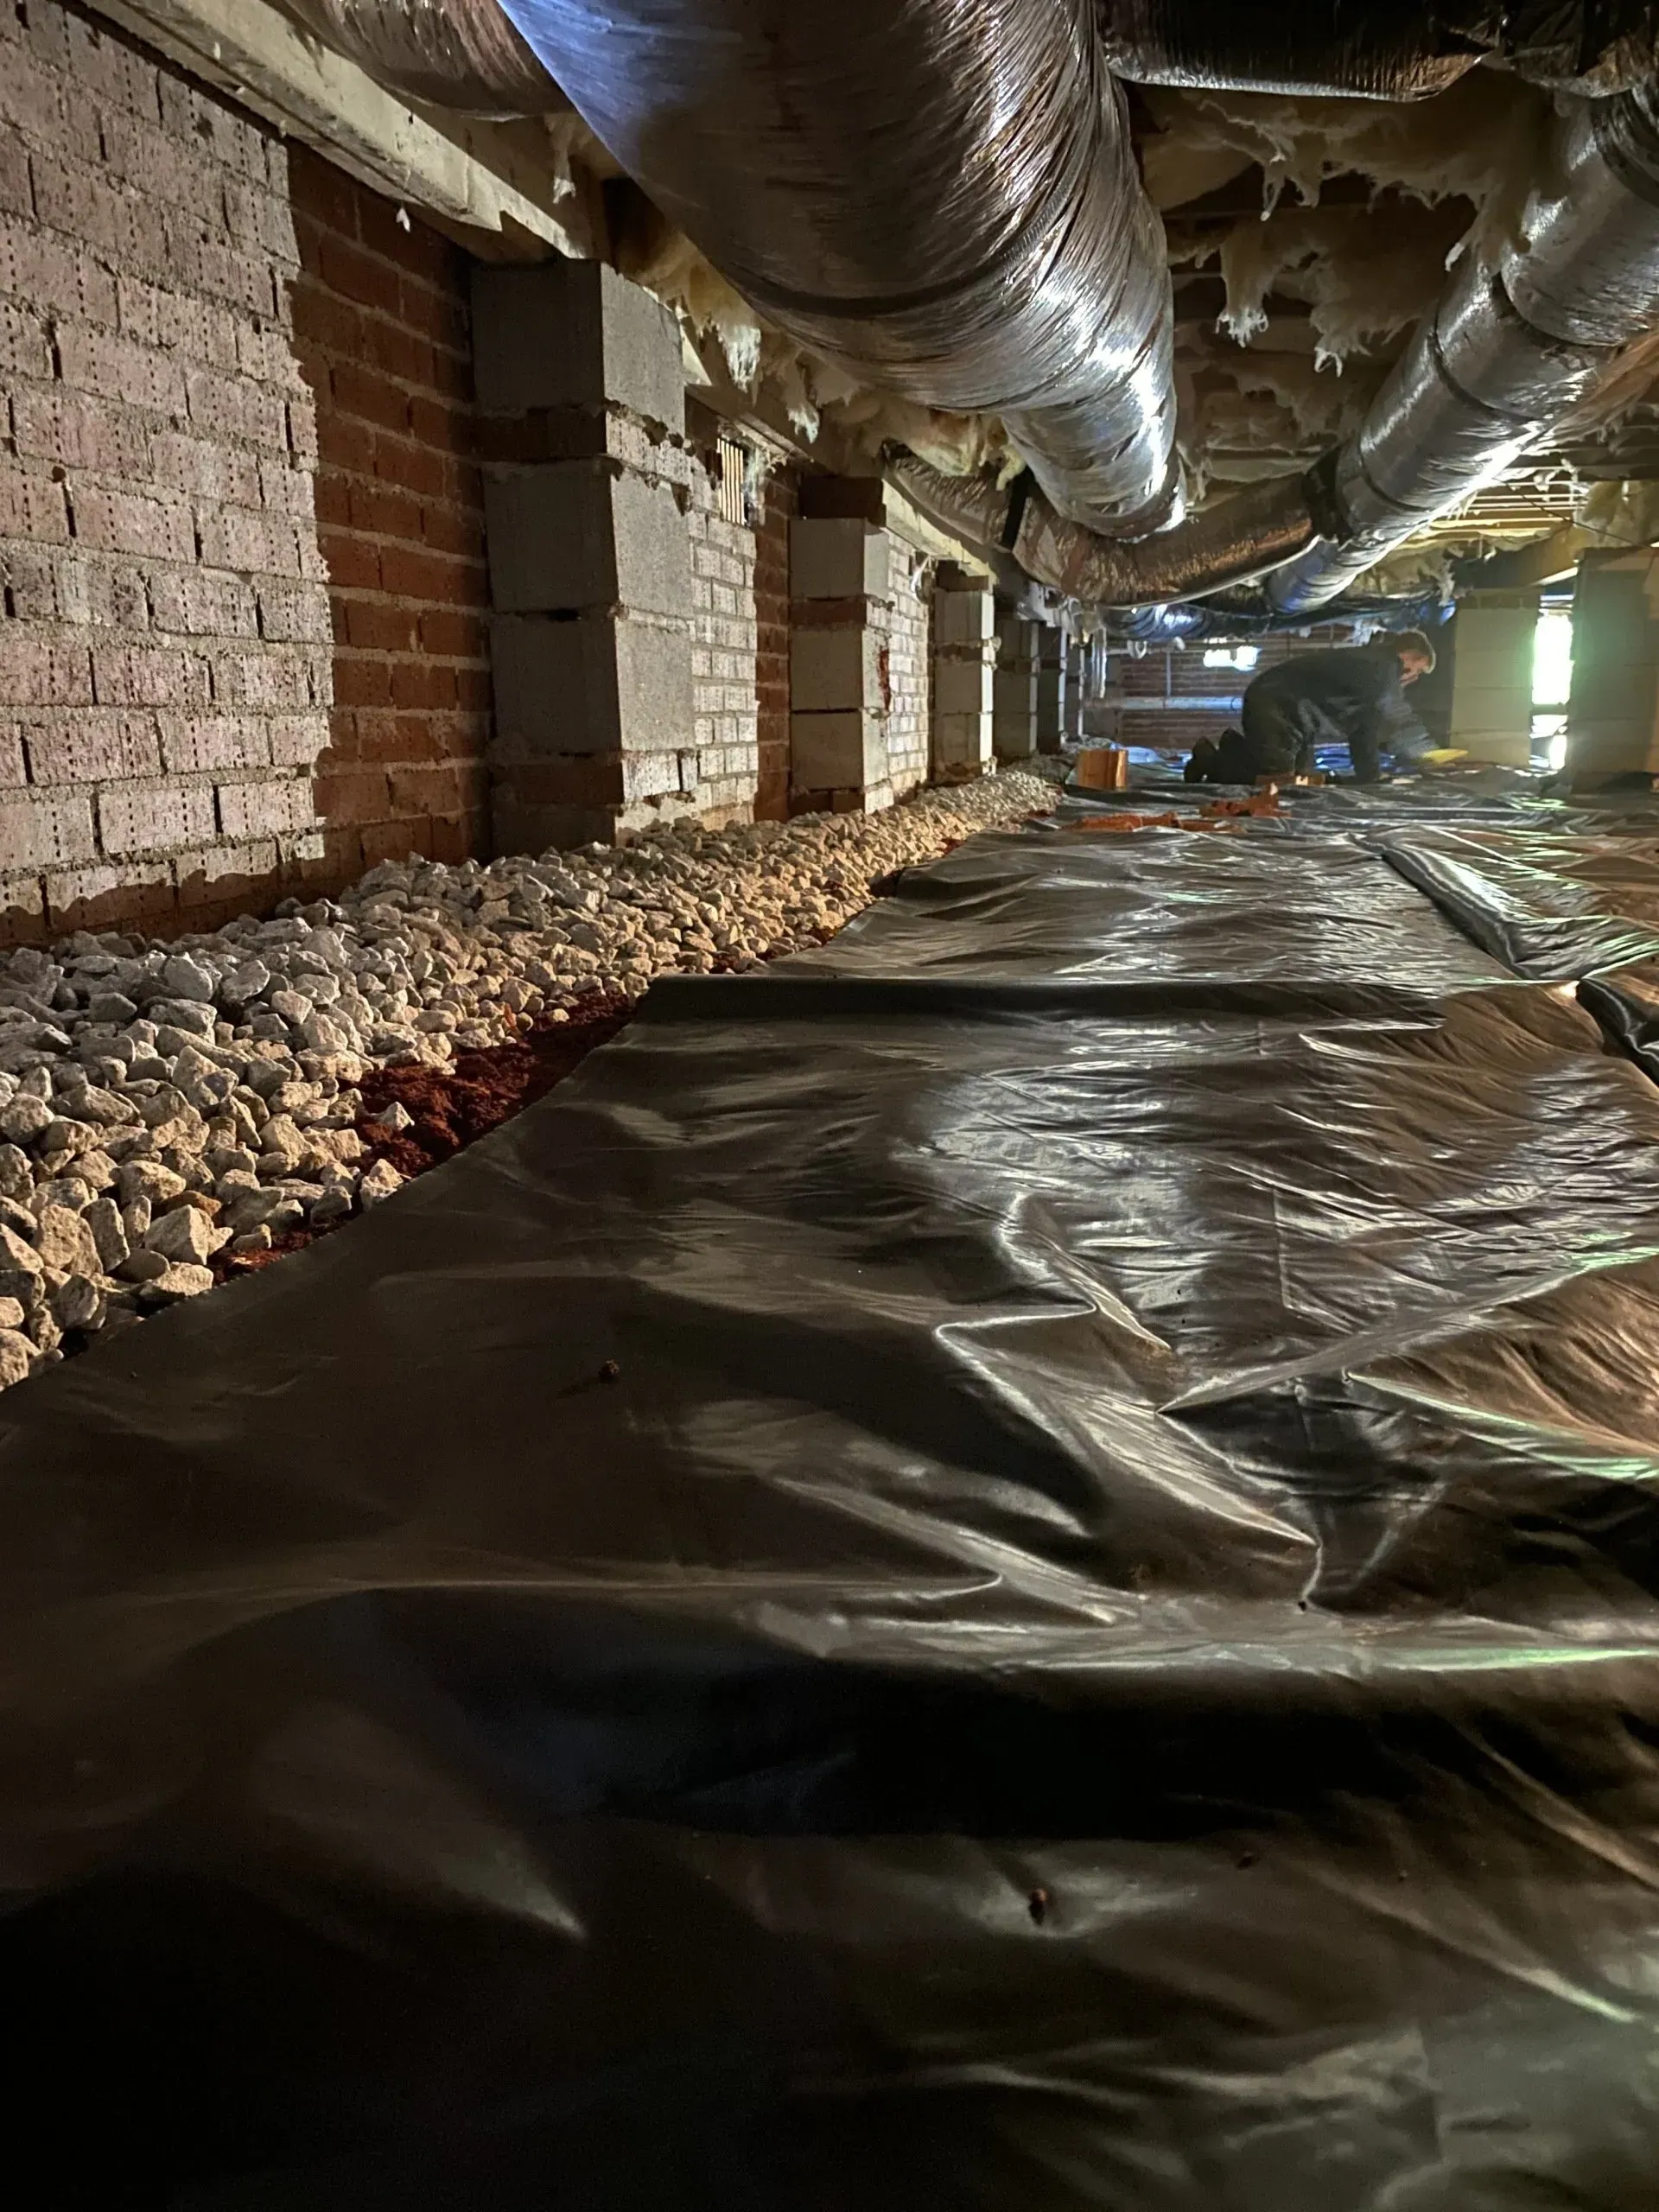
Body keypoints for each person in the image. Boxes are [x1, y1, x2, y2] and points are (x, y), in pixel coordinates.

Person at [1185, 631, 1437, 785]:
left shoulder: (1372, 664)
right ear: (1412, 657)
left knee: (1301, 774)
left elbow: (1363, 725)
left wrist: (1368, 774)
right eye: (1417, 671)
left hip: (1286, 710)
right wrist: (1425, 754)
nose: (1412, 678)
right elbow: (1381, 722)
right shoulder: (1383, 670)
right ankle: (1211, 761)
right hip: (1279, 708)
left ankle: (1233, 746)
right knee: (1279, 784)